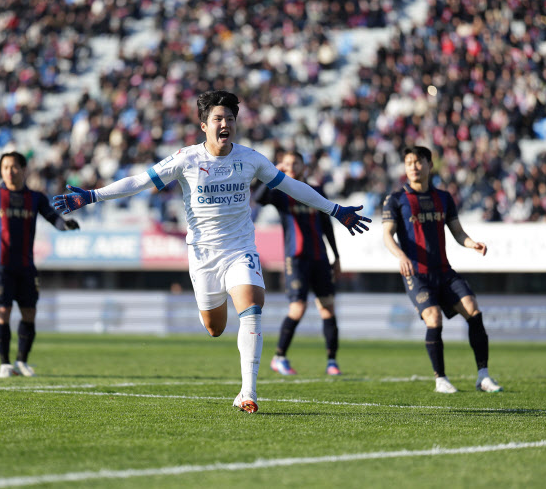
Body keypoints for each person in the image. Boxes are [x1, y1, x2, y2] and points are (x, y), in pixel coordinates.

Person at [53, 90, 371, 413]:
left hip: (240, 248)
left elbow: (294, 187)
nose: (225, 124)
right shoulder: (186, 159)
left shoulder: (250, 159)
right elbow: (139, 181)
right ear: (203, 125)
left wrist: (335, 210)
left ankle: (249, 392)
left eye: (230, 119)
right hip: (203, 255)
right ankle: (227, 337)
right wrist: (92, 196)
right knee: (214, 328)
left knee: (252, 306)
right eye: (218, 118)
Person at [382, 146, 502, 393]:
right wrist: (401, 255)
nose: (413, 167)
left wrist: (472, 243)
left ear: (429, 165)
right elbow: (387, 235)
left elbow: (457, 232)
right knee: (434, 318)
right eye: (409, 163)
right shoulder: (396, 199)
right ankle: (441, 379)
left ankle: (483, 376)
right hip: (417, 274)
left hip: (444, 272)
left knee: (473, 310)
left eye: (418, 162)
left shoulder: (444, 198)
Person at [0, 152, 80, 378]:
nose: (9, 172)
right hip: (1, 266)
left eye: (13, 167)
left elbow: (54, 218)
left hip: (26, 267)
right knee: (3, 311)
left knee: (29, 313)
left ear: (23, 169)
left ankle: (22, 361)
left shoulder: (36, 197)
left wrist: (66, 225)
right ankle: (4, 364)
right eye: (5, 167)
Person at [252, 150, 343, 376]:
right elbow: (259, 198)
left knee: (328, 308)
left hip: (320, 257)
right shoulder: (281, 191)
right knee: (298, 307)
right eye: (287, 164)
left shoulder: (316, 191)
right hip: (296, 258)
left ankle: (332, 362)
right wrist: (274, 174)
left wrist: (336, 256)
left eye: (295, 163)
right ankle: (279, 357)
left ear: (303, 166)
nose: (291, 167)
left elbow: (327, 225)